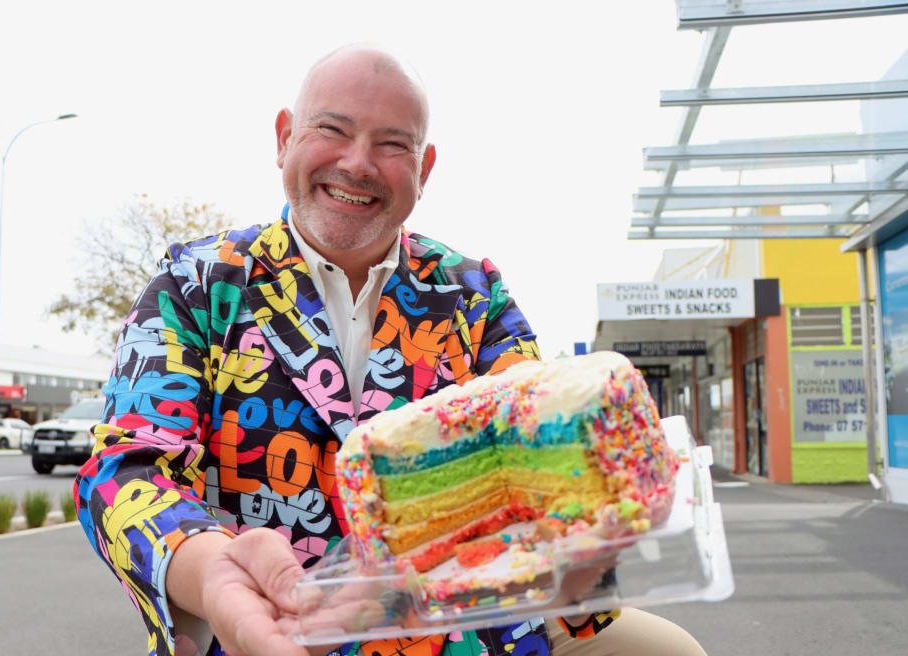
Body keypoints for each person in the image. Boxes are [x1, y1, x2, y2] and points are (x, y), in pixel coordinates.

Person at [74, 45, 706, 656]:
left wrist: (589, 527)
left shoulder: (472, 293)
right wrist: (213, 572)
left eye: (392, 144)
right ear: (284, 137)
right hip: (270, 635)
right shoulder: (195, 286)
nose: (358, 164)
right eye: (333, 129)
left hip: (461, 633)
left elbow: (540, 435)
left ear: (424, 169)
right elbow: (126, 470)